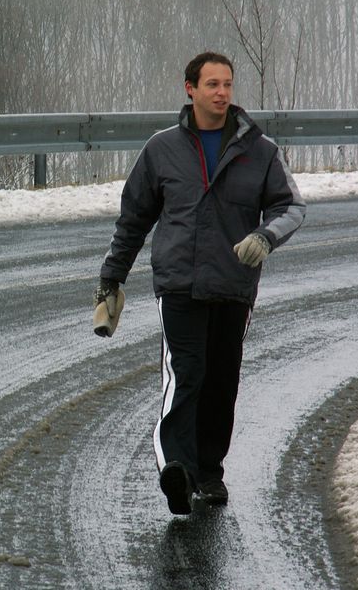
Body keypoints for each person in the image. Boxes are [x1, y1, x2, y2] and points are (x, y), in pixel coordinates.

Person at [94, 52, 305, 515]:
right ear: (189, 89)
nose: (222, 93)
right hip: (180, 285)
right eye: (212, 84)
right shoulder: (161, 148)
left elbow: (292, 208)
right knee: (185, 373)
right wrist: (112, 278)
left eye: (228, 84)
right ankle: (177, 468)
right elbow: (133, 220)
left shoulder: (261, 151)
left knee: (221, 380)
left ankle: (209, 472)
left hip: (234, 284)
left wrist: (265, 238)